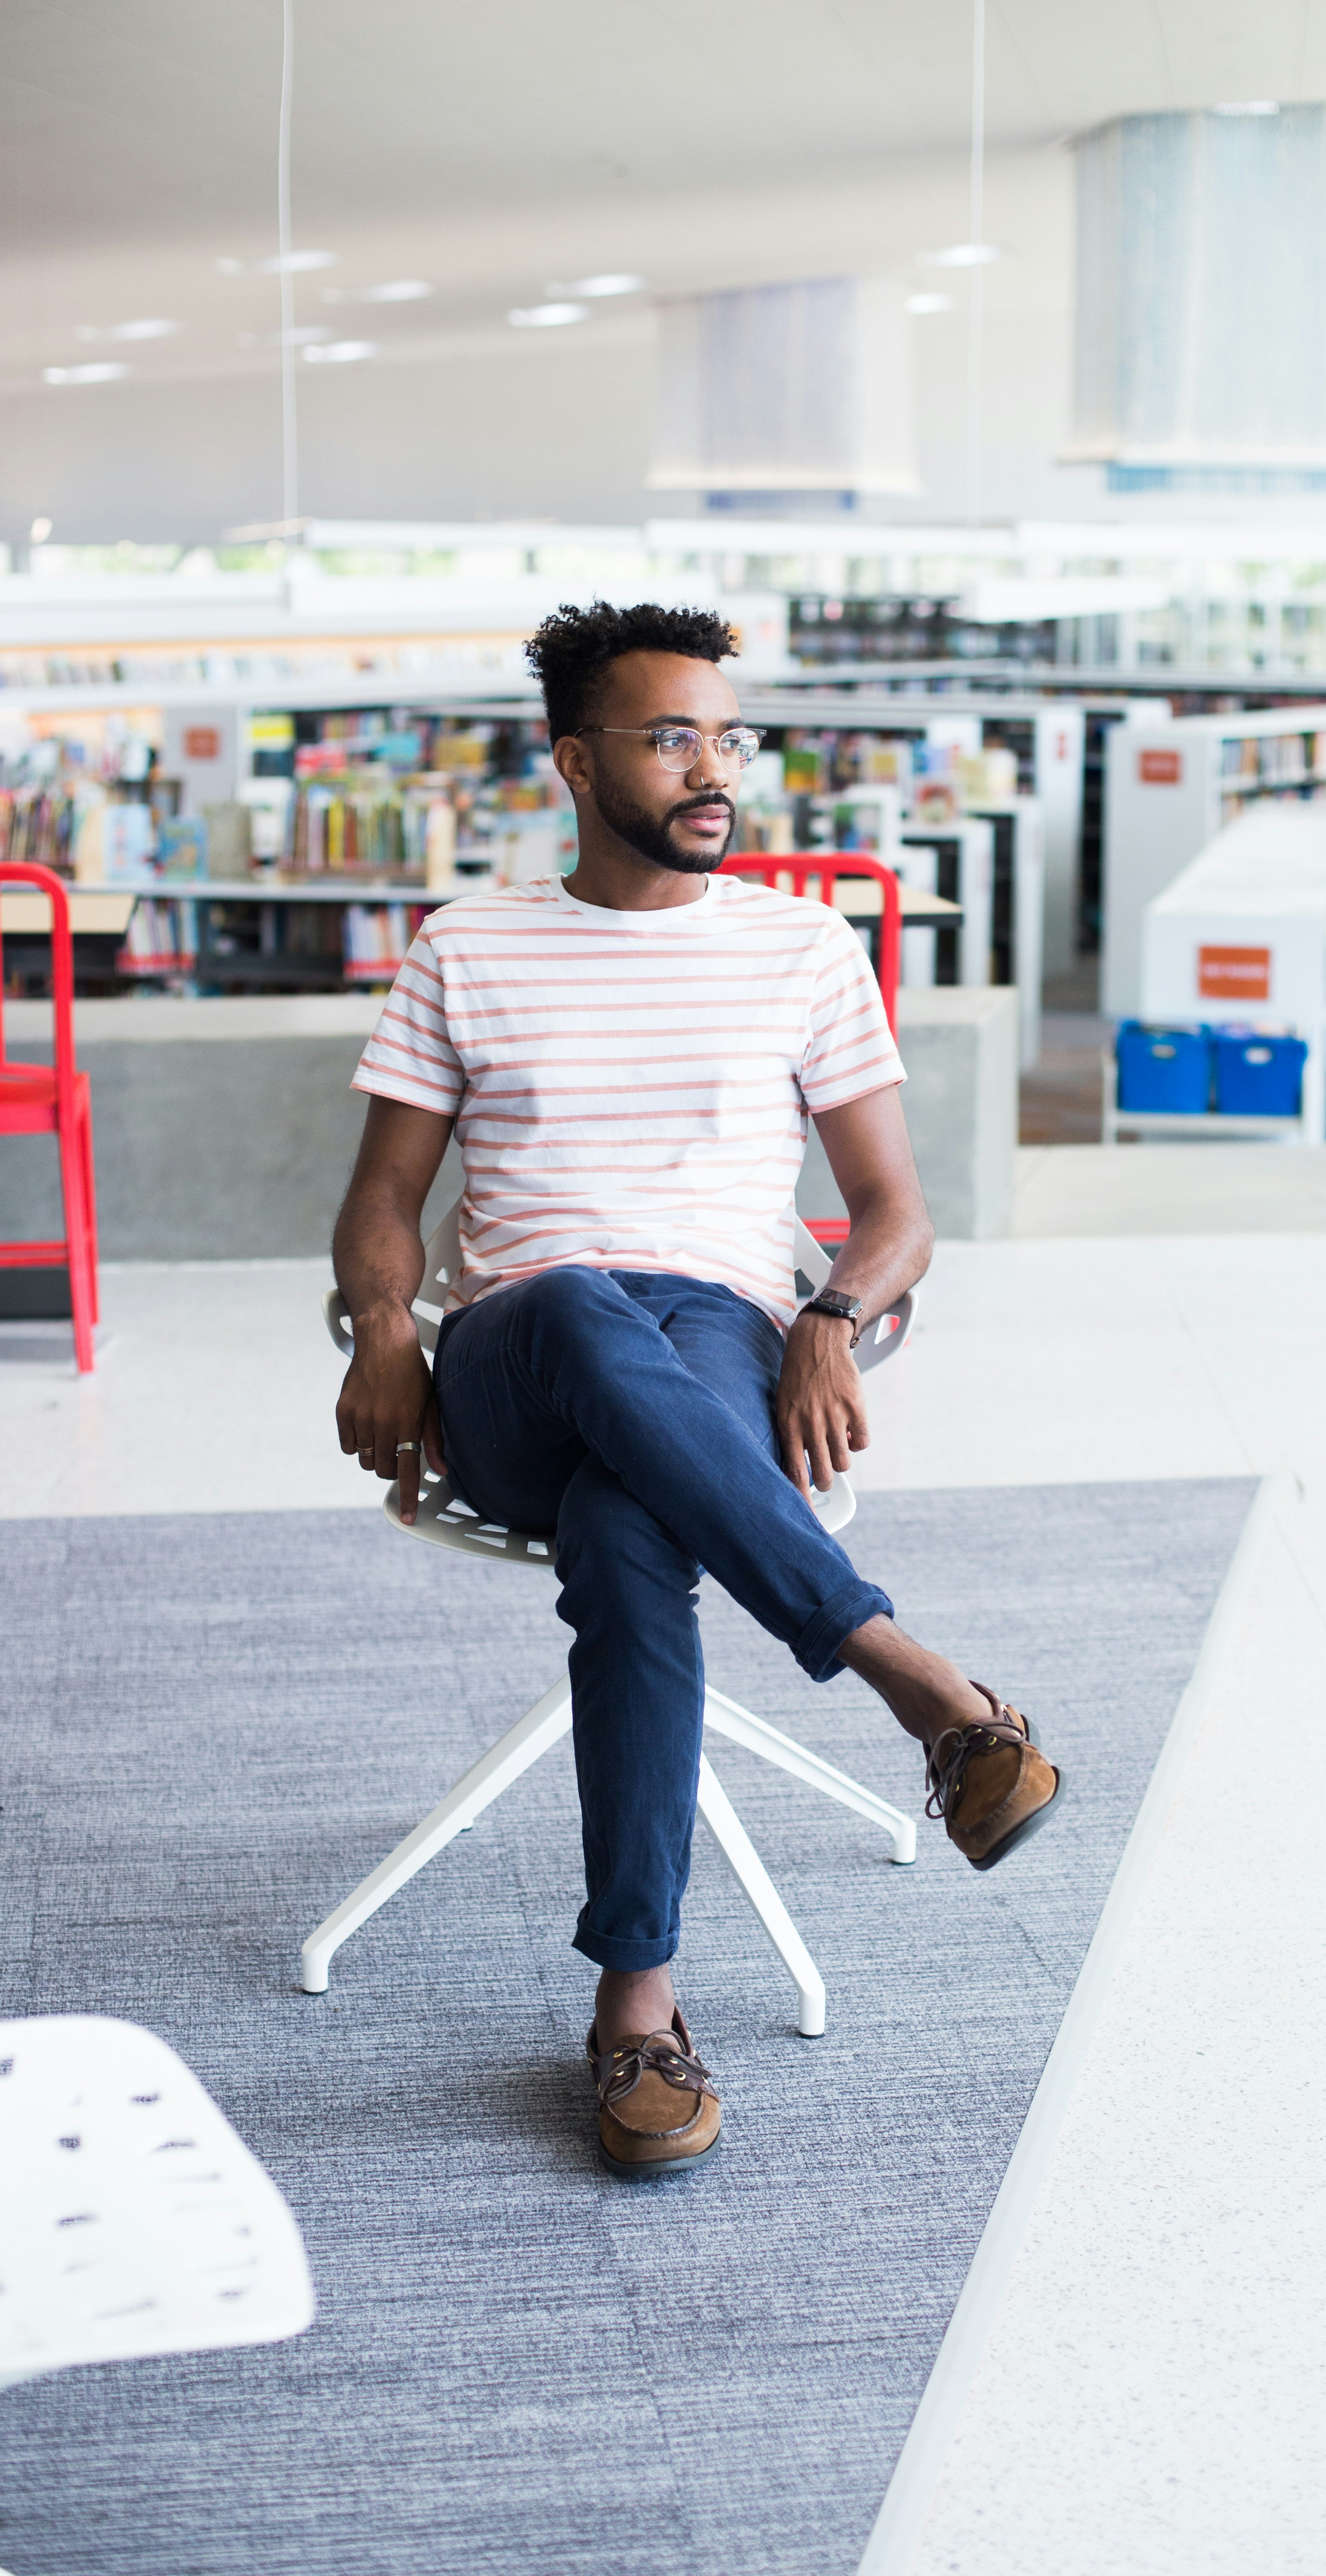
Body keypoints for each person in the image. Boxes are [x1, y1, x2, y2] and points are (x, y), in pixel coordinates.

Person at [332, 601, 1061, 2176]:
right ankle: (912, 1681)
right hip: (526, 1347)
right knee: (589, 1307)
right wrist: (386, 1321)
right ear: (577, 762)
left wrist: (830, 1319)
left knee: (633, 1539)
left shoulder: (804, 948)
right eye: (672, 737)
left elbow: (896, 1211)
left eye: (728, 736)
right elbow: (384, 1196)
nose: (713, 767)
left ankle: (635, 2010)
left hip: (727, 1337)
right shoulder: (469, 944)